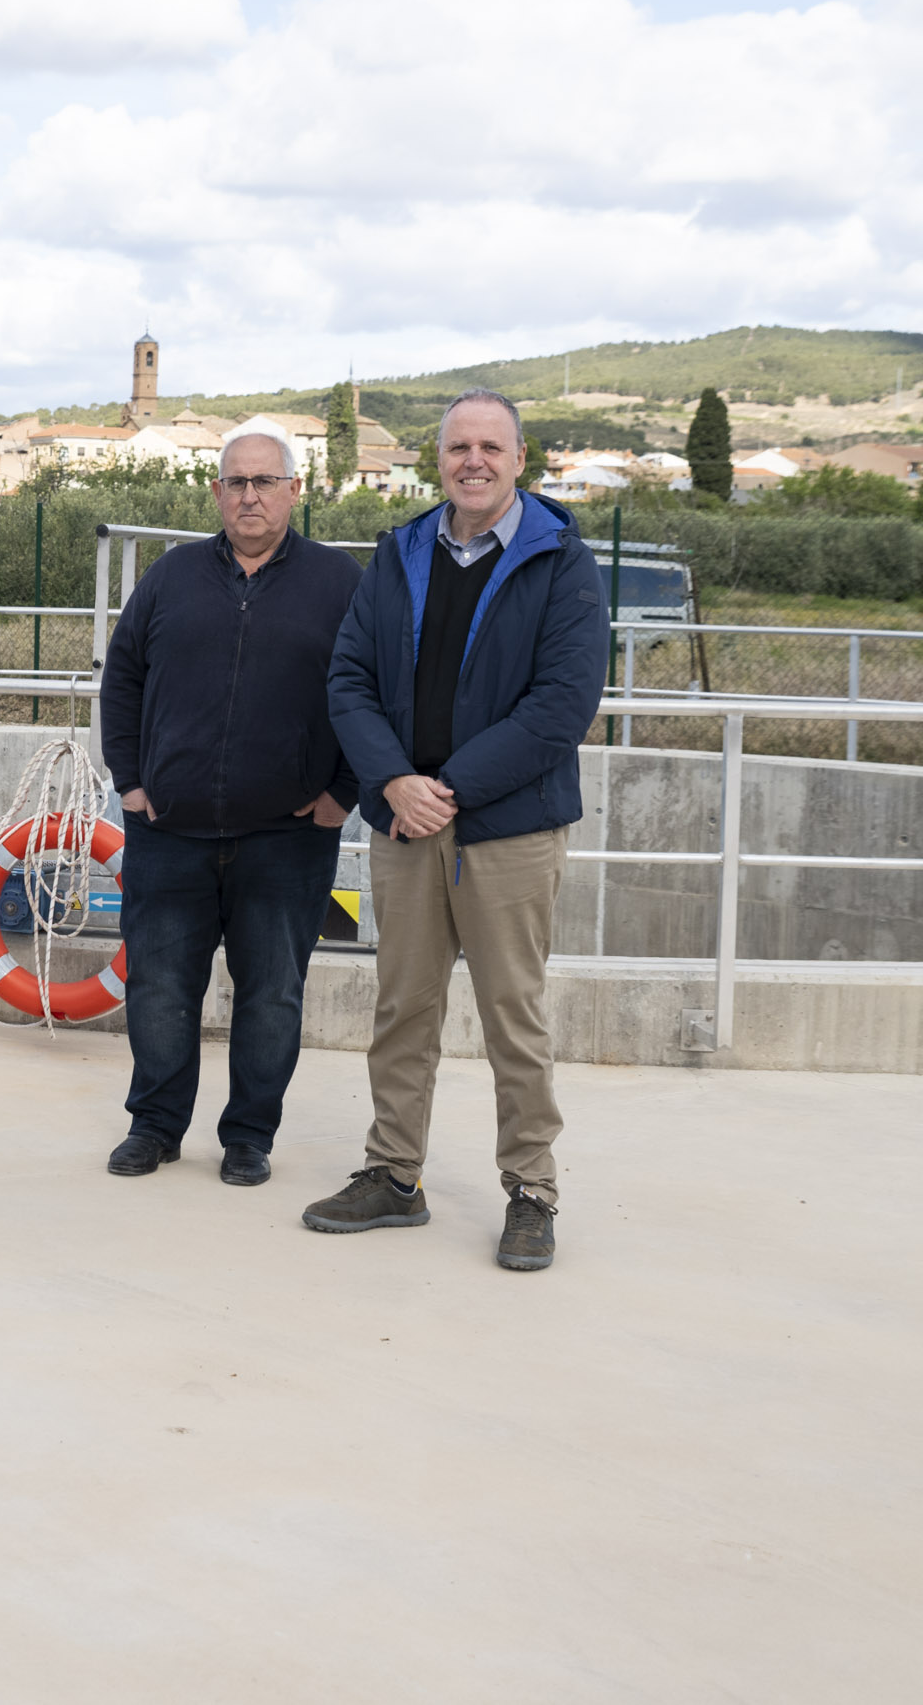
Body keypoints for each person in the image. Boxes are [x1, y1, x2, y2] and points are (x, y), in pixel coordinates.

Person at [314, 388, 607, 1272]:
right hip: (405, 823)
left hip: (508, 828)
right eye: (457, 447)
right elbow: (349, 680)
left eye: (490, 446)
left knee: (513, 1012)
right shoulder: (399, 551)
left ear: (522, 459)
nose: (472, 460)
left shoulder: (562, 562)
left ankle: (533, 1191)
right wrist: (395, 782)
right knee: (403, 1006)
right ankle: (393, 1174)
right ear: (436, 459)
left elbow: (562, 706)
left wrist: (445, 787)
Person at [99, 425, 362, 1188]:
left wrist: (342, 792)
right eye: (236, 482)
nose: (250, 494)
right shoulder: (170, 576)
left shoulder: (339, 585)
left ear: (294, 491)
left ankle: (249, 1135)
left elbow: (370, 692)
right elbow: (123, 680)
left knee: (273, 993)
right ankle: (154, 1126)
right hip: (168, 831)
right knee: (157, 986)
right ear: (217, 493)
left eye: (264, 481)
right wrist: (131, 780)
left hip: (287, 837)